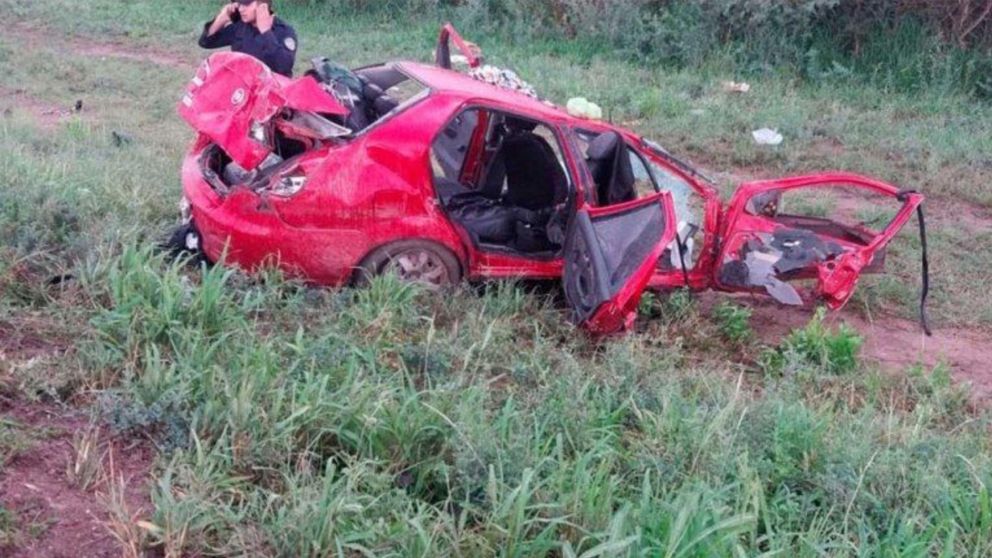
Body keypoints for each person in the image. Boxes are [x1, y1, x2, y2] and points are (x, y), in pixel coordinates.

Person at [198, 0, 297, 77]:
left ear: (263, 6)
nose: (241, 9)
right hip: (243, 88)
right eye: (239, 4)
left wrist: (266, 32)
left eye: (246, 4)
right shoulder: (240, 27)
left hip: (271, 91)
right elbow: (206, 42)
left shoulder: (284, 31)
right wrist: (222, 18)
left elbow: (284, 67)